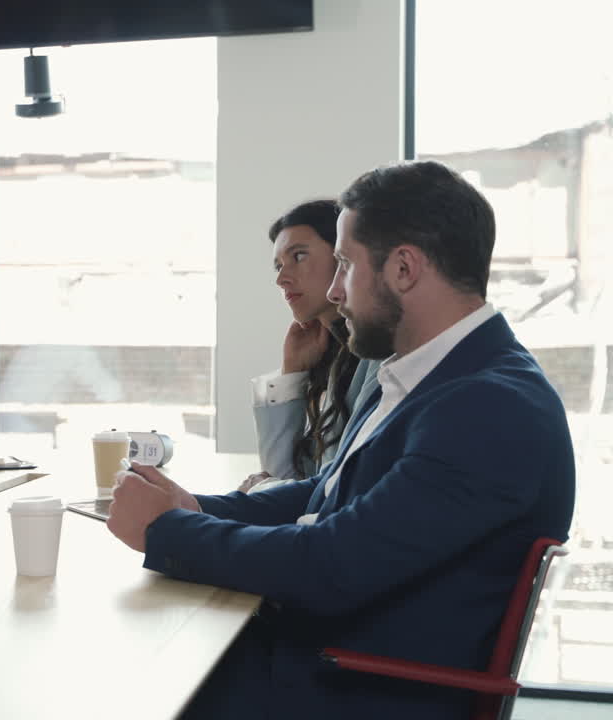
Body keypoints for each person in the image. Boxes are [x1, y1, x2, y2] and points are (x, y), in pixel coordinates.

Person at [106, 161, 575, 719]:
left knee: (123, 686)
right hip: (329, 658)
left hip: (355, 686)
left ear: (403, 268)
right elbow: (322, 494)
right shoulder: (418, 374)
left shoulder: (490, 407)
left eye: (346, 265)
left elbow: (330, 565)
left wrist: (167, 529)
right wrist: (196, 506)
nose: (333, 289)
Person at [241, 200, 380, 493]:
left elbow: (326, 493)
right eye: (278, 266)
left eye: (299, 256)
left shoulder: (377, 356)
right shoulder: (327, 357)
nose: (282, 278)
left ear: (344, 256)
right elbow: (283, 480)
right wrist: (292, 374)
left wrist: (261, 489)